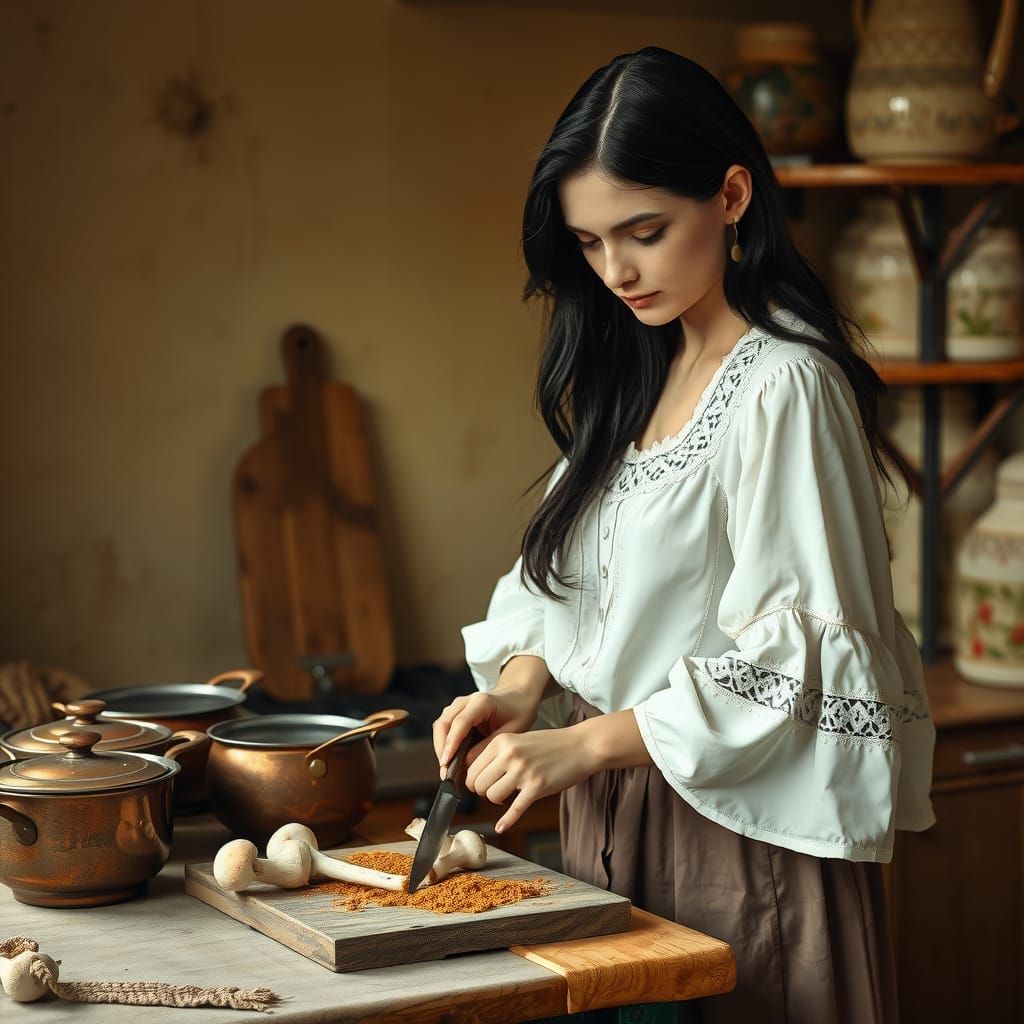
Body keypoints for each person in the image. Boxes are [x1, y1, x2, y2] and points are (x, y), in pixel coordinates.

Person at [432, 46, 935, 1023]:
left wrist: (584, 747)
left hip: (739, 839)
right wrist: (520, 688)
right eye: (588, 242)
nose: (616, 270)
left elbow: (804, 662)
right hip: (611, 823)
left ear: (733, 195)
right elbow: (575, 582)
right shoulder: (636, 374)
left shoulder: (783, 385)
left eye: (645, 231)